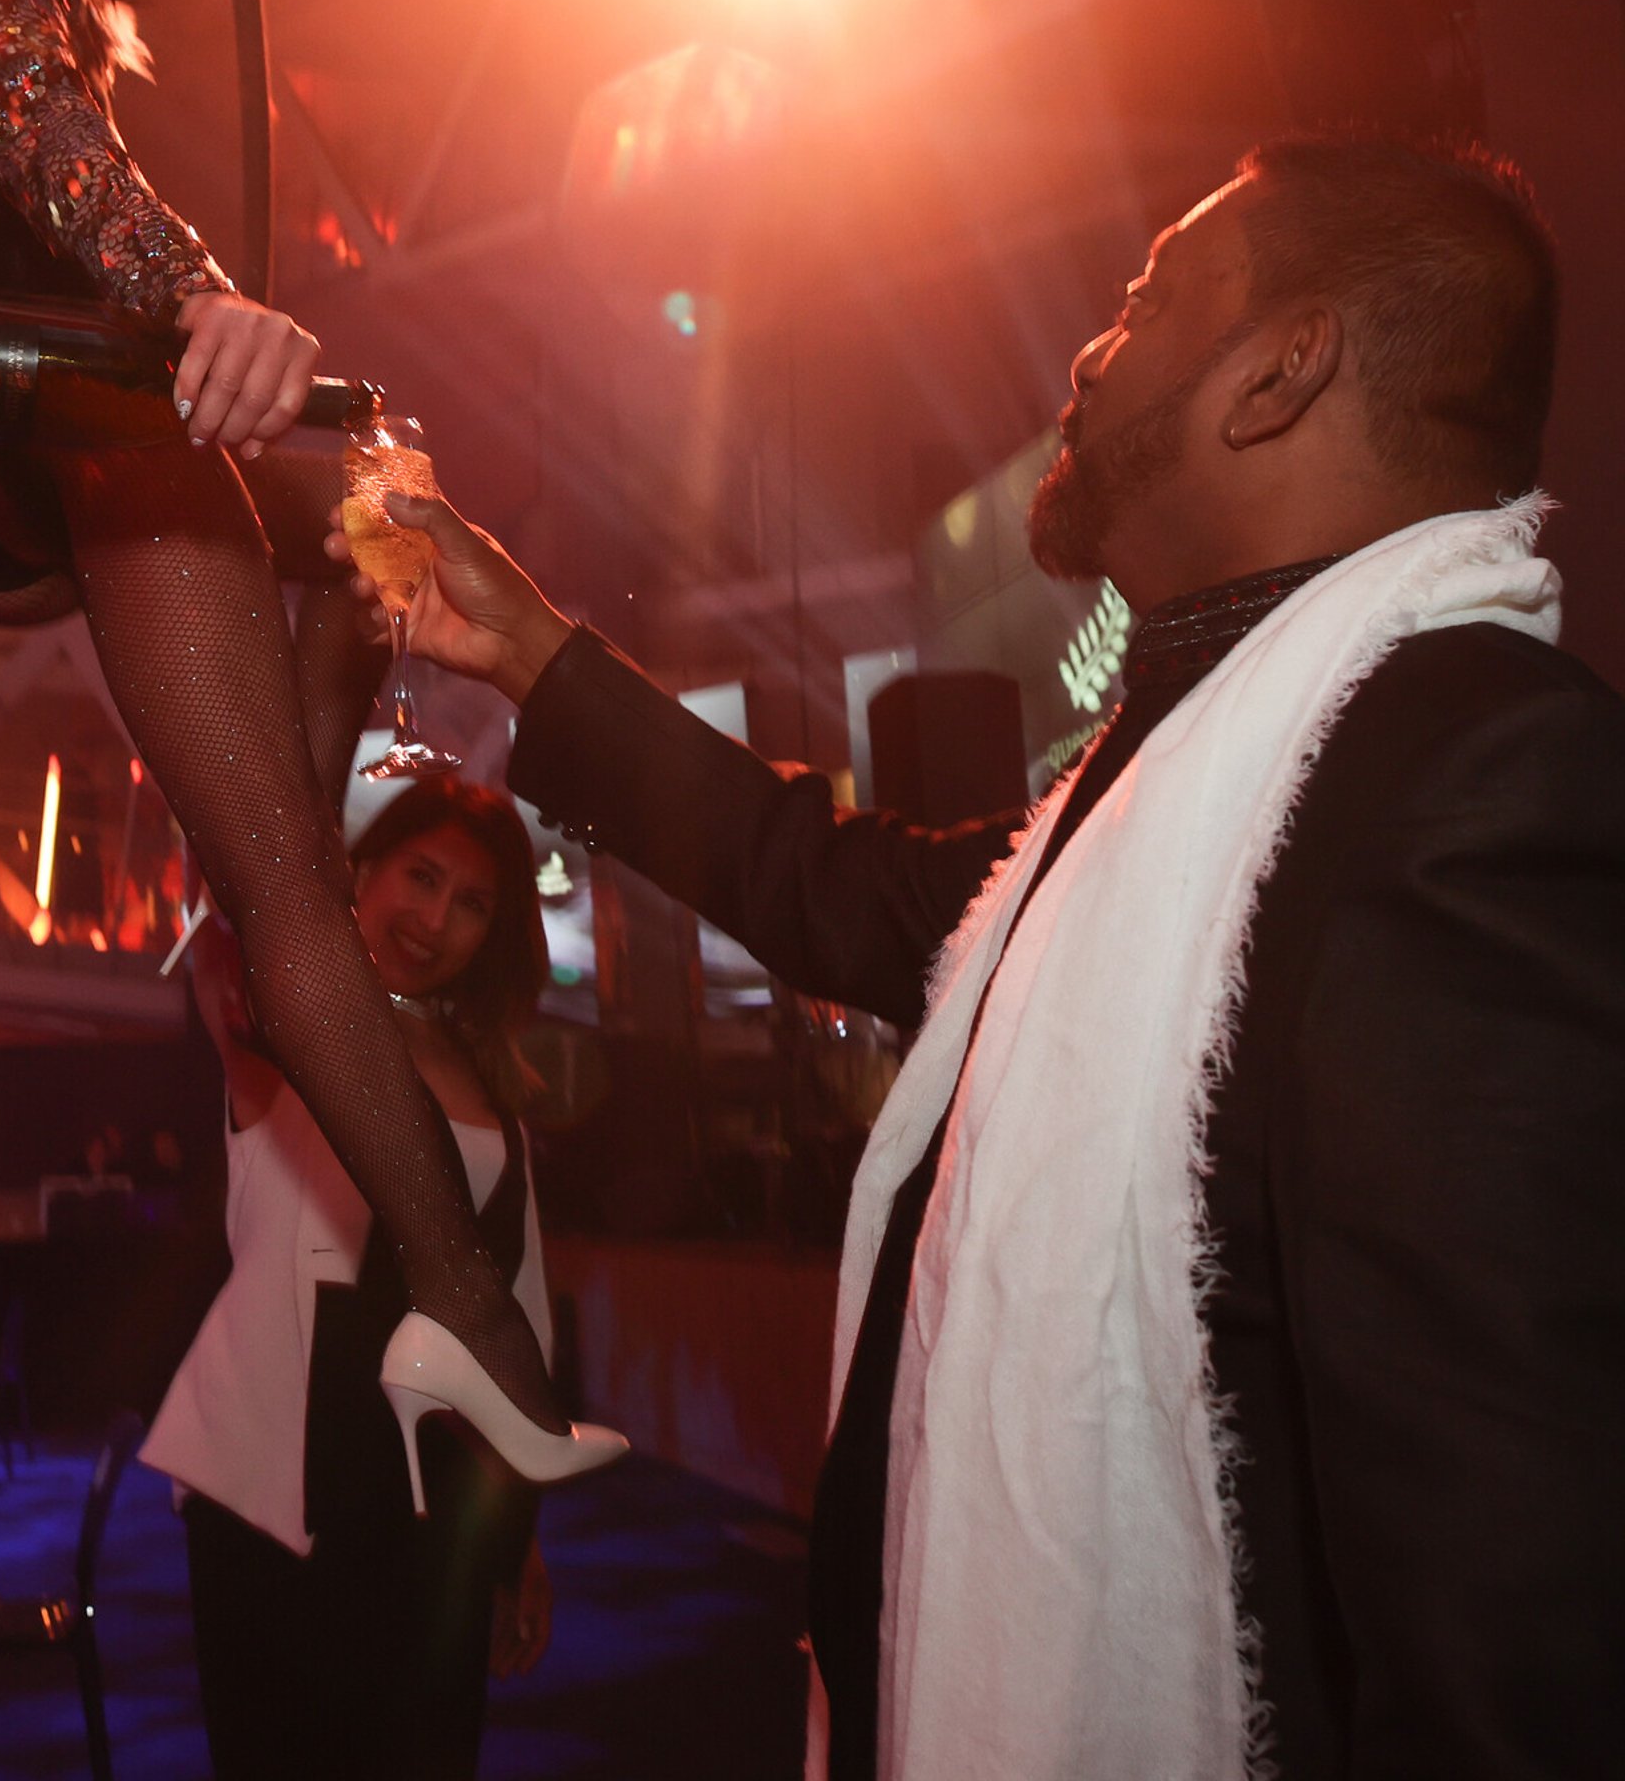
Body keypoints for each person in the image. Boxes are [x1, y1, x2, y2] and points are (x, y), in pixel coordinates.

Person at [335, 137, 1625, 1779]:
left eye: (1151, 294)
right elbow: (829, 887)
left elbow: (1510, 1634)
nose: (1092, 346)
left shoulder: (1465, 782)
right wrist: (524, 646)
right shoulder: (1170, 782)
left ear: (1280, 370)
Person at [0, 0, 622, 1476]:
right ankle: (468, 1311)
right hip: (49, 429)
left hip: (2, 442)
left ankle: (295, 794)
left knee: (338, 613)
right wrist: (189, 298)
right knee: (292, 891)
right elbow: (20, 120)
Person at [145, 779, 559, 1780]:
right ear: (362, 871)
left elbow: (519, 1311)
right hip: (280, 1479)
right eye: (422, 876)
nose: (436, 918)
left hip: (439, 1493)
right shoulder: (285, 1019)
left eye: (471, 904)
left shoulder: (488, 1074)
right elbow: (213, 902)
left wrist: (518, 1536)